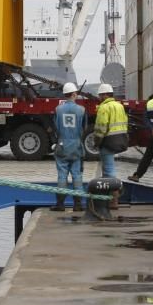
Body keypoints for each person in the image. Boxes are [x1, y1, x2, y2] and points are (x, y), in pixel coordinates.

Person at [51, 82, 87, 212]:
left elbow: (55, 128)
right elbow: (84, 128)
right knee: (77, 175)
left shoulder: (58, 109)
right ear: (73, 94)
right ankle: (78, 205)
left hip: (62, 146)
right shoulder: (81, 110)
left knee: (62, 175)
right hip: (76, 146)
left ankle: (60, 204)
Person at [93, 82, 129, 179]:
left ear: (105, 95)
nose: (99, 97)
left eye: (100, 95)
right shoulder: (119, 106)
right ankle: (108, 190)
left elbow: (101, 129)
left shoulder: (103, 107)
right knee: (108, 167)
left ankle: (114, 191)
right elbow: (125, 122)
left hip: (108, 141)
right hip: (120, 139)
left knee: (108, 169)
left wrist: (96, 142)